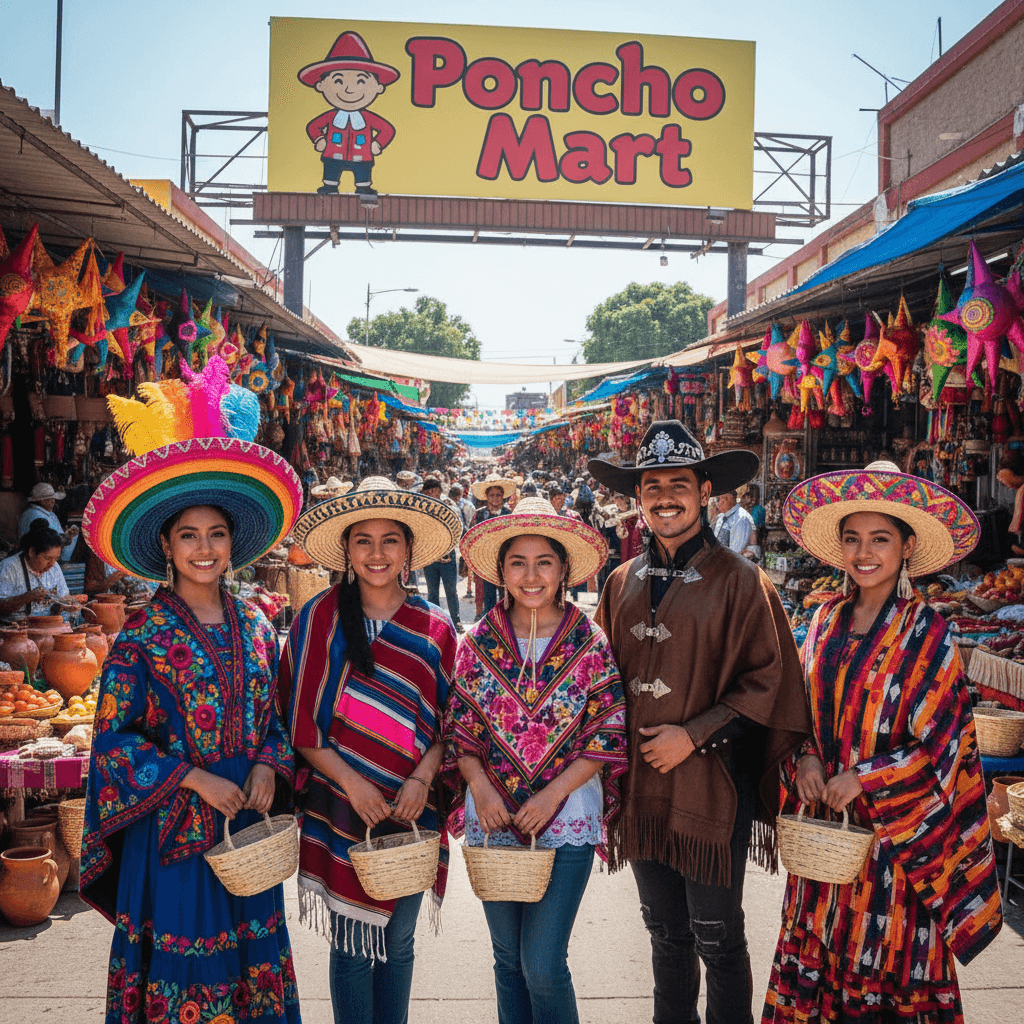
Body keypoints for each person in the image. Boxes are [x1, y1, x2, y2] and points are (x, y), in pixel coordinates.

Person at [79, 361, 304, 1024]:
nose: (204, 549)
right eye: (188, 536)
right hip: (175, 837)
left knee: (249, 979)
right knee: (188, 986)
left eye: (215, 534)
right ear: (168, 549)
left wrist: (269, 763)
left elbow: (279, 721)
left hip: (249, 835)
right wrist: (192, 779)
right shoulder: (140, 636)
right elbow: (111, 745)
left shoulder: (261, 623)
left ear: (233, 542)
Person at [589, 419, 811, 1024]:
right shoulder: (619, 581)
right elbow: (600, 683)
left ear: (706, 489)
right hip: (642, 790)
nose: (665, 496)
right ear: (637, 497)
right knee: (664, 935)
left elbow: (772, 682)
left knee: (717, 937)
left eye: (679, 483)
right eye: (652, 484)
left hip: (712, 788)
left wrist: (695, 733)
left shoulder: (743, 582)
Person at [763, 461, 1002, 1023]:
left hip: (896, 861)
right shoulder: (821, 622)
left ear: (906, 546)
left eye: (879, 539)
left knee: (886, 968)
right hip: (826, 849)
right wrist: (804, 758)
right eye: (852, 539)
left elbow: (948, 751)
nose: (863, 553)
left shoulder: (930, 637)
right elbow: (797, 712)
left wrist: (864, 778)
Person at [279, 477, 462, 1024]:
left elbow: (453, 726)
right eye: (364, 540)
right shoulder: (318, 619)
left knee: (400, 943)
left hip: (412, 808)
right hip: (341, 804)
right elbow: (300, 722)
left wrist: (423, 779)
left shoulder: (435, 629)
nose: (377, 554)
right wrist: (354, 784)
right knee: (352, 947)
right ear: (346, 550)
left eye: (390, 541)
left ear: (409, 551)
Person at [445, 496, 628, 1024]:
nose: (531, 576)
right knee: (507, 963)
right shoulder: (477, 642)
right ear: (500, 571)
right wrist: (479, 787)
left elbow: (609, 728)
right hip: (495, 820)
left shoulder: (589, 642)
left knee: (543, 964)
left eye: (544, 562)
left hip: (566, 817)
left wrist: (551, 795)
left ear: (563, 569)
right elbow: (461, 725)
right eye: (517, 563)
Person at [420, 476, 465, 633]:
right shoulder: (420, 508)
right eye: (429, 490)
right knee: (432, 592)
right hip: (429, 555)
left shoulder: (449, 505)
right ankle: (435, 622)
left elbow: (458, 527)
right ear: (425, 492)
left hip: (447, 554)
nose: (433, 493)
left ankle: (456, 620)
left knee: (451, 590)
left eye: (435, 490)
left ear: (439, 491)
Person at [0, 523, 70, 618]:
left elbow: (65, 597)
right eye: (47, 558)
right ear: (32, 552)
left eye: (56, 558)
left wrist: (69, 605)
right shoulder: (9, 567)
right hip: (19, 626)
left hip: (49, 624)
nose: (52, 564)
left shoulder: (55, 567)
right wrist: (26, 597)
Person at [471, 473, 514, 619]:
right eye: (492, 495)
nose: (495, 498)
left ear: (502, 497)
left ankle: (504, 623)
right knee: (488, 594)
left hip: (505, 559)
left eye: (498, 495)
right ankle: (489, 625)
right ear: (487, 497)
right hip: (486, 561)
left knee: (505, 594)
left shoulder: (509, 515)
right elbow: (473, 538)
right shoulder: (479, 515)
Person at [18, 481, 79, 562]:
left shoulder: (48, 513)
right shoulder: (35, 515)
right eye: (52, 499)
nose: (54, 502)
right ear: (44, 501)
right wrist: (67, 537)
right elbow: (44, 542)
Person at [711, 488, 755, 556]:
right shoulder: (721, 516)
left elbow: (735, 551)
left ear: (728, 499)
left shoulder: (741, 518)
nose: (717, 504)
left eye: (718, 500)